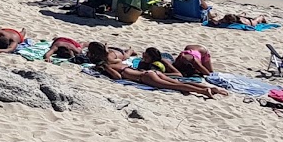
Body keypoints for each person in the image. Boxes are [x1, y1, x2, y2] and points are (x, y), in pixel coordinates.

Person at [85, 42, 228, 96]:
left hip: (144, 77)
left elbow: (118, 78)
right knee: (178, 84)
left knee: (176, 86)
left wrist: (106, 69)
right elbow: (119, 57)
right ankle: (211, 88)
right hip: (151, 72)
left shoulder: (108, 65)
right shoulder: (114, 60)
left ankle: (203, 91)